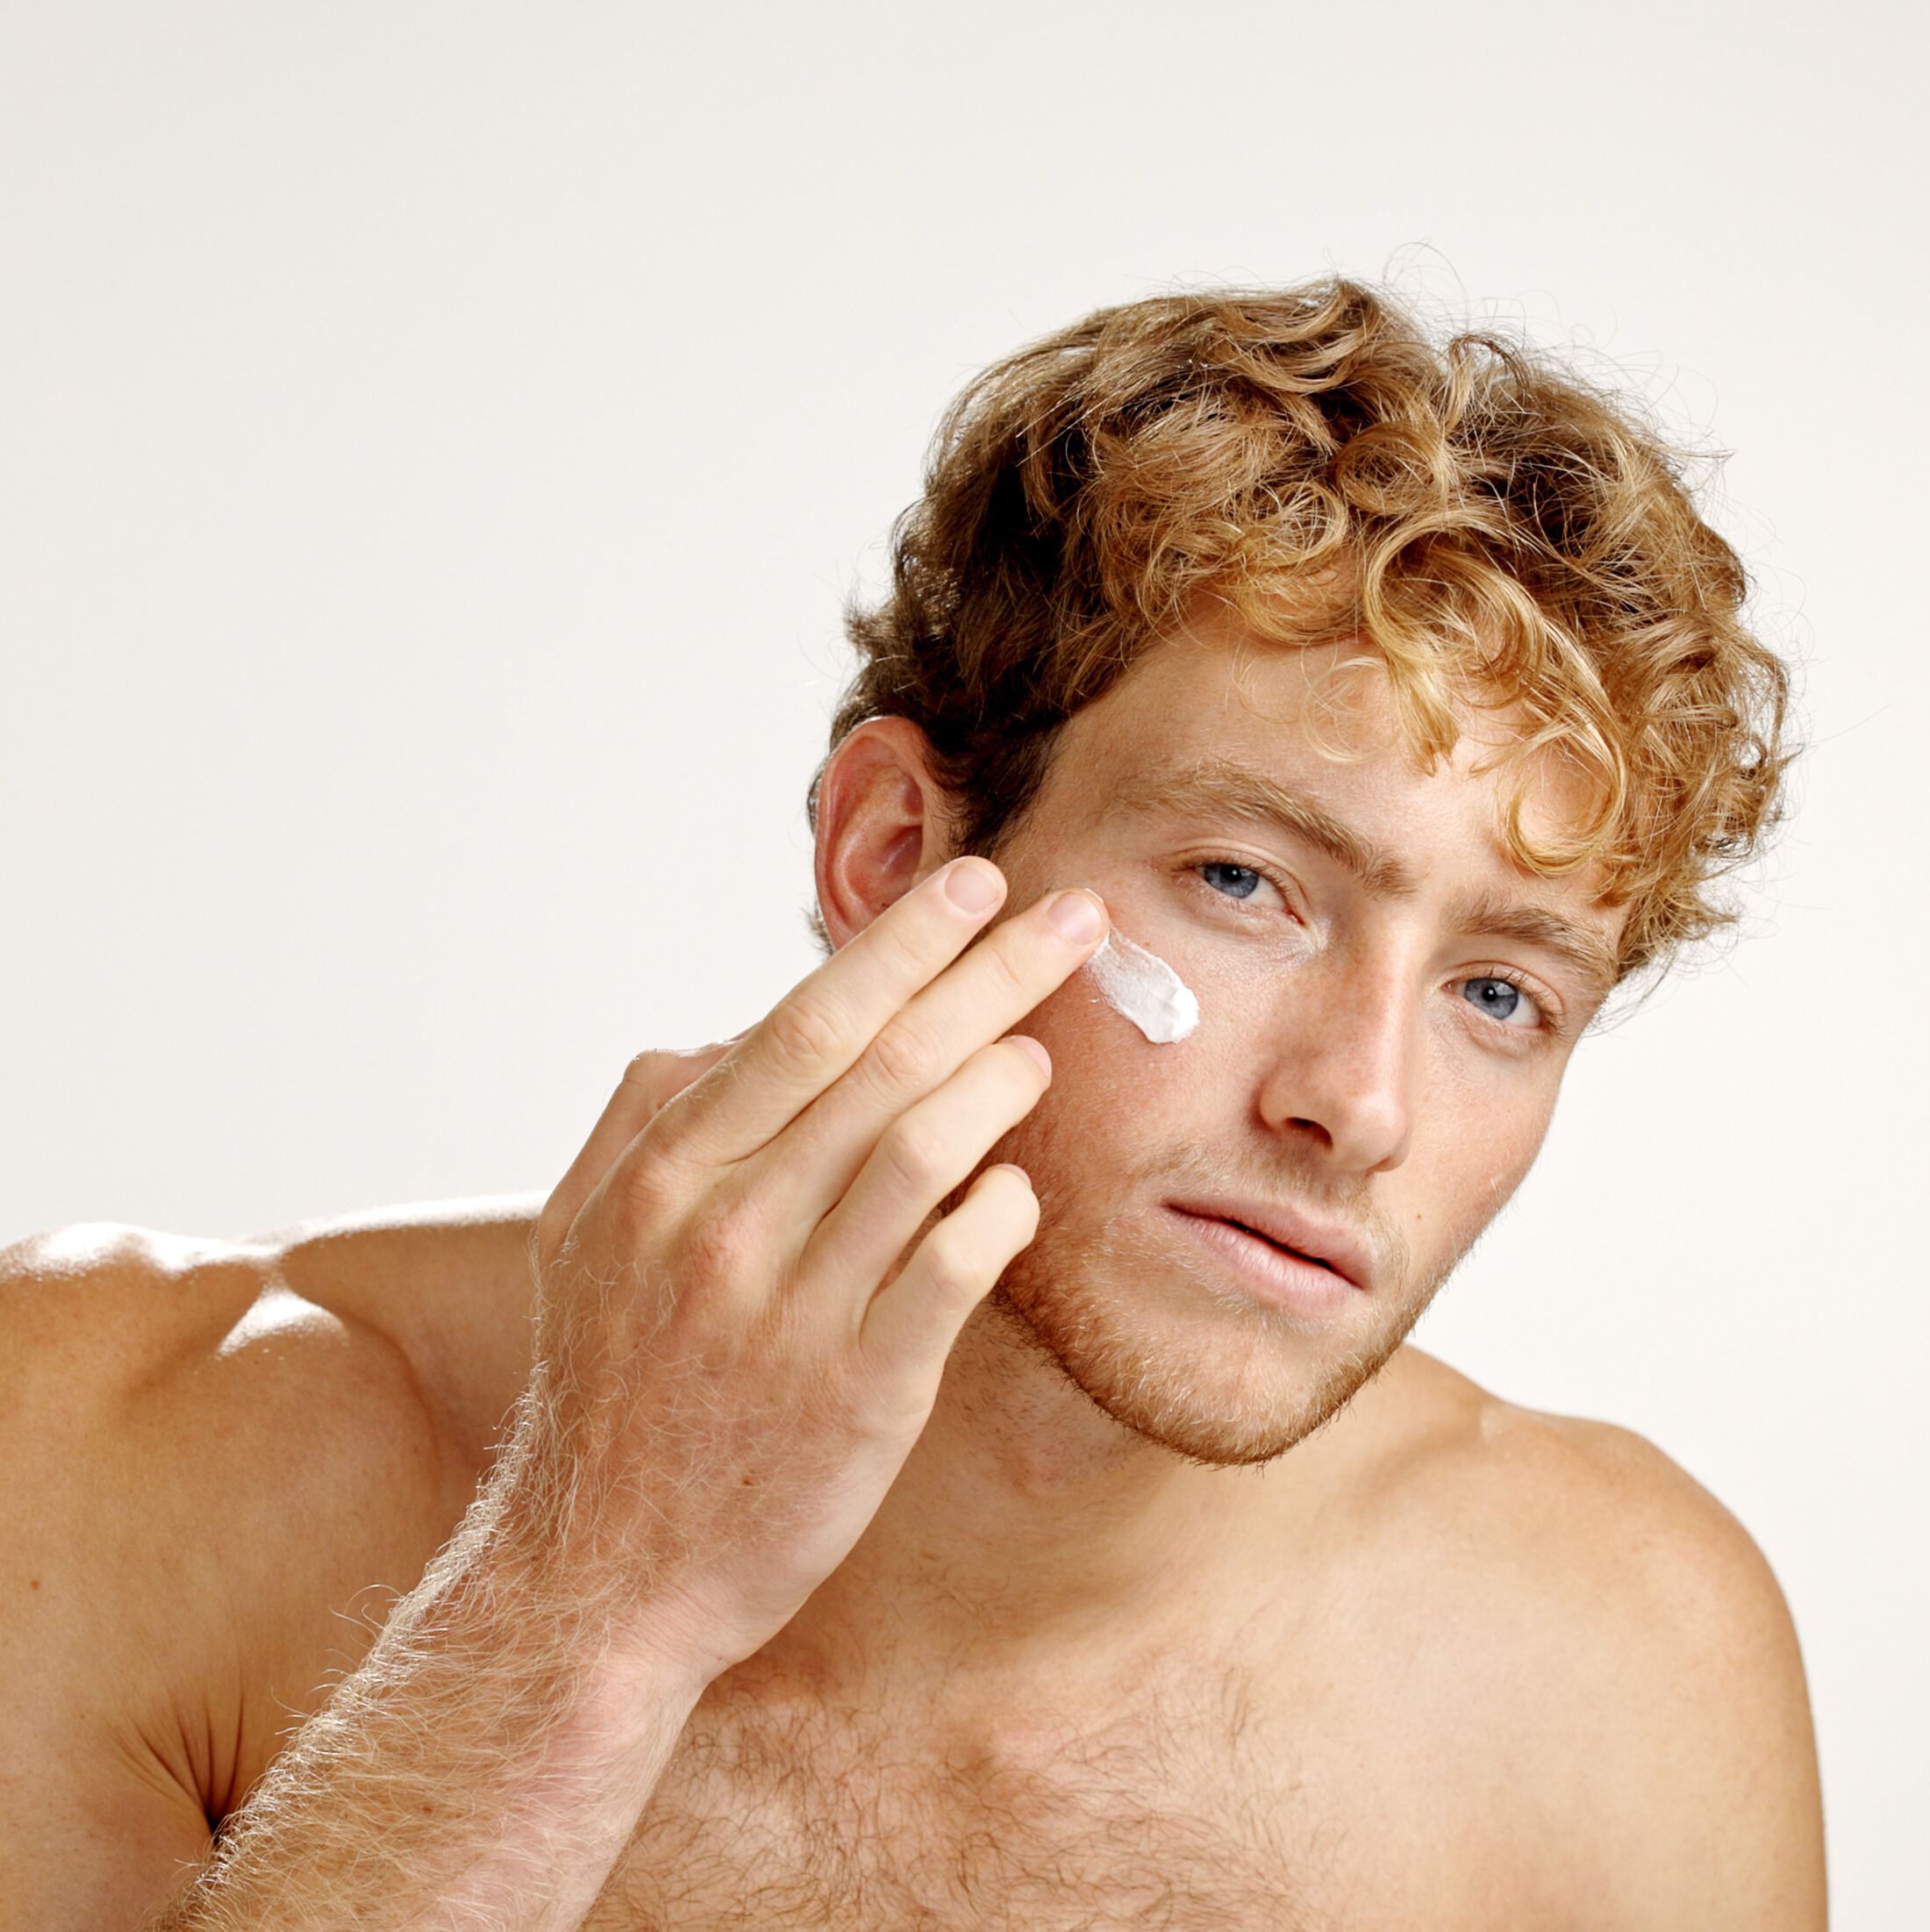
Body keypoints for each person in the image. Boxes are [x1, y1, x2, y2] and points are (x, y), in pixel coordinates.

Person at [0, 280, 1825, 1929]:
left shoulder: (1621, 1670)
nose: (1355, 1104)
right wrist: (587, 1601)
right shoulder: (110, 1453)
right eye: (1245, 884)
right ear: (894, 850)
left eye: (1495, 993)